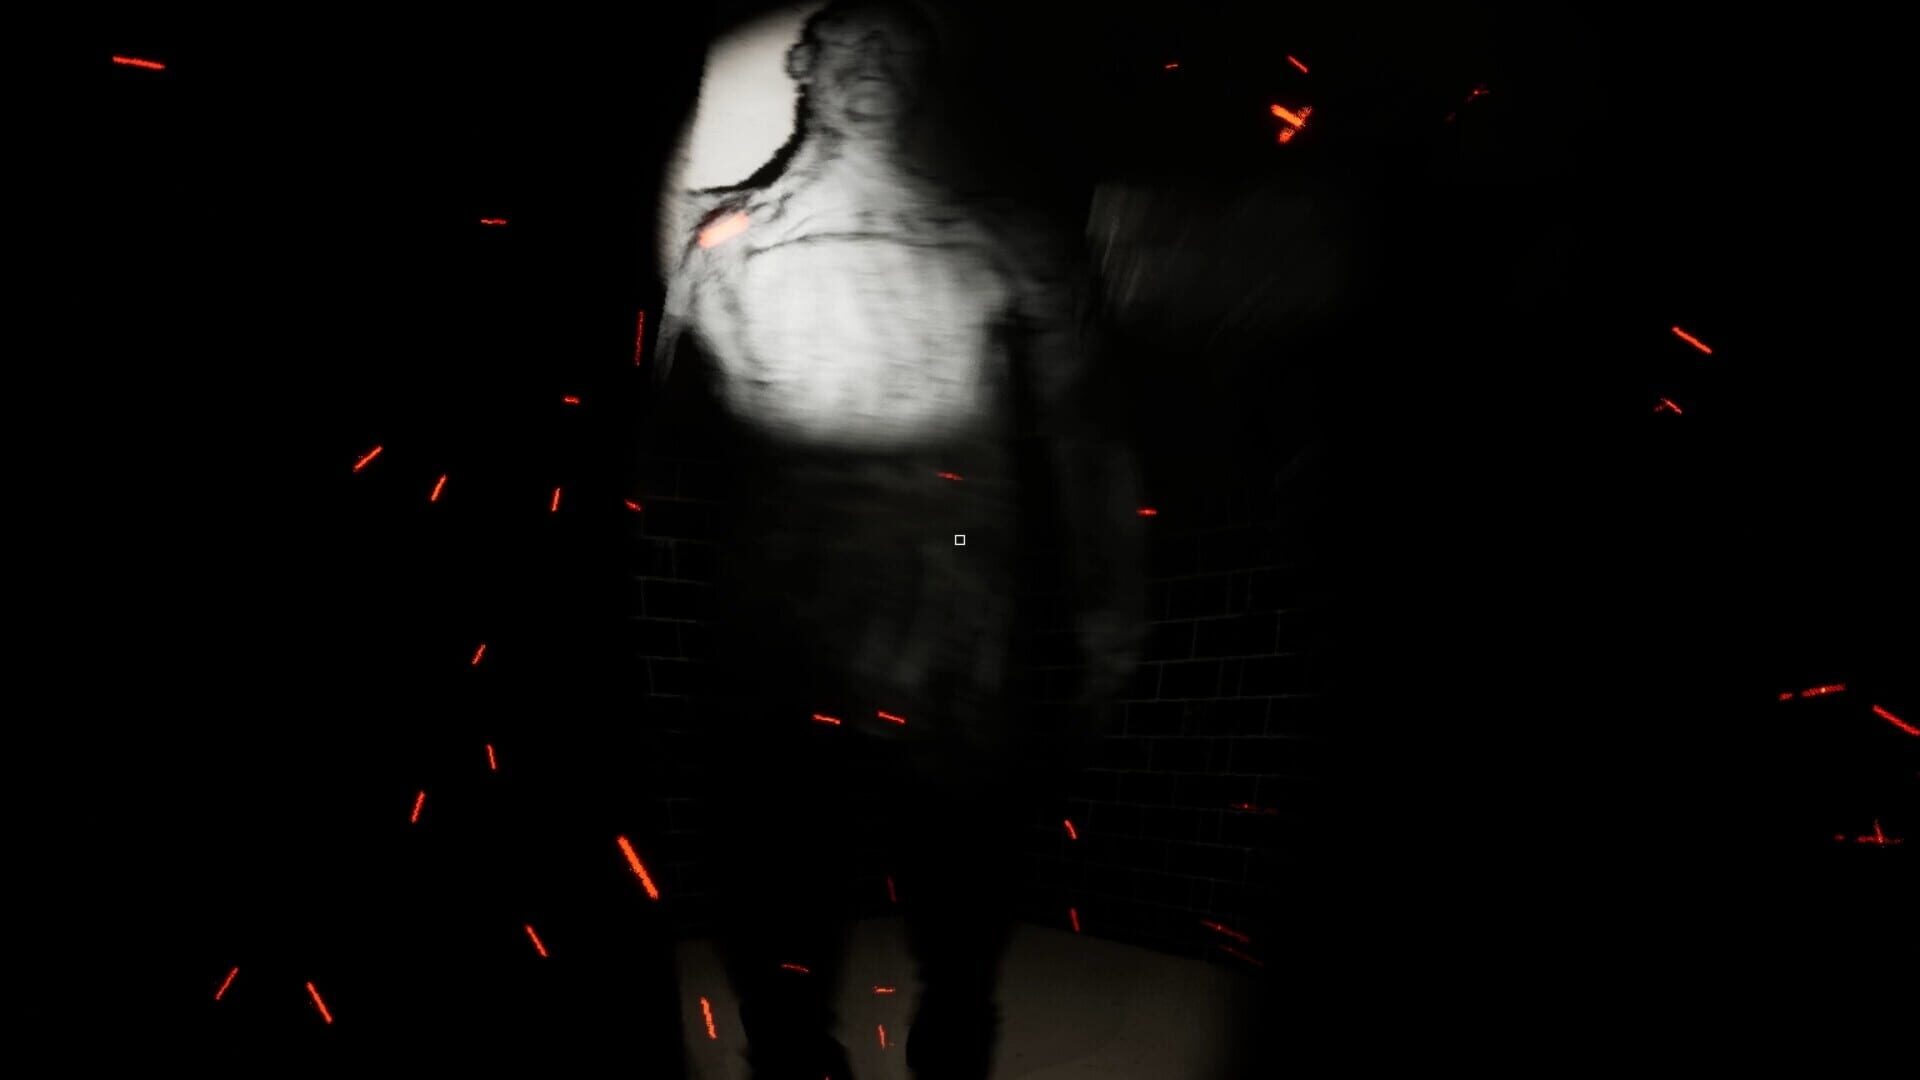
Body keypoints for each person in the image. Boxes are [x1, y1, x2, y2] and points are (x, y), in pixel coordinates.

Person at [653, 3, 1146, 1076]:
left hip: (954, 593)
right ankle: (796, 1047)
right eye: (849, 41)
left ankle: (951, 1034)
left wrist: (1111, 598)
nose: (874, 59)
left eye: (898, 45)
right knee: (783, 859)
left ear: (927, 76)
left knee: (957, 861)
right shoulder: (716, 236)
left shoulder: (1002, 241)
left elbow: (1084, 436)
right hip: (788, 600)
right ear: (803, 64)